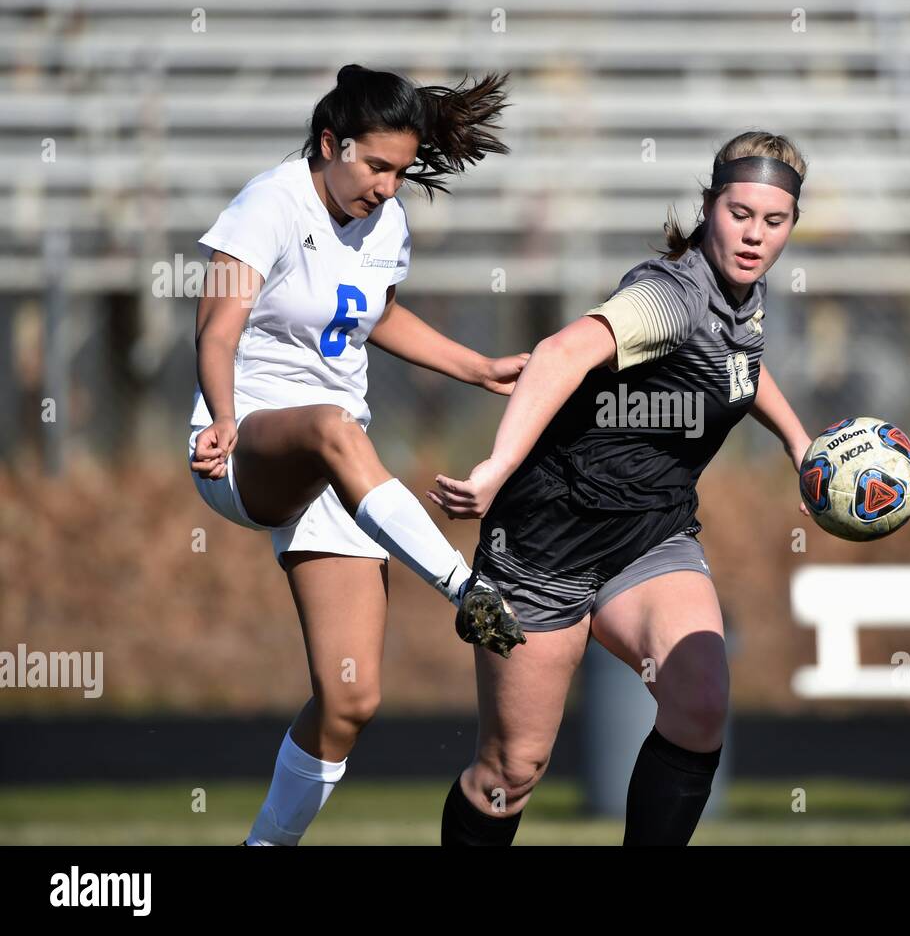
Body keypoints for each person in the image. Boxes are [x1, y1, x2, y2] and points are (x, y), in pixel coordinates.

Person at [430, 131, 813, 845]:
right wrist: (496, 464)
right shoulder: (671, 295)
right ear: (708, 206)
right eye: (739, 212)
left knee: (699, 702)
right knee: (511, 769)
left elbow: (740, 368)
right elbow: (564, 350)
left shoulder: (743, 295)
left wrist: (799, 442)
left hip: (649, 535)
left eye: (774, 220)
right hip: (547, 540)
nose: (754, 234)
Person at [187, 64, 524, 846]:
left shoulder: (386, 223)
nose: (388, 186)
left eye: (401, 171)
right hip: (247, 445)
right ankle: (461, 587)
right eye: (376, 166)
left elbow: (371, 315)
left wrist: (476, 367)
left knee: (350, 701)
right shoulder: (270, 203)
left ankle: (263, 845)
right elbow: (215, 330)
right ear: (330, 143)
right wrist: (226, 416)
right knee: (338, 426)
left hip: (339, 468)